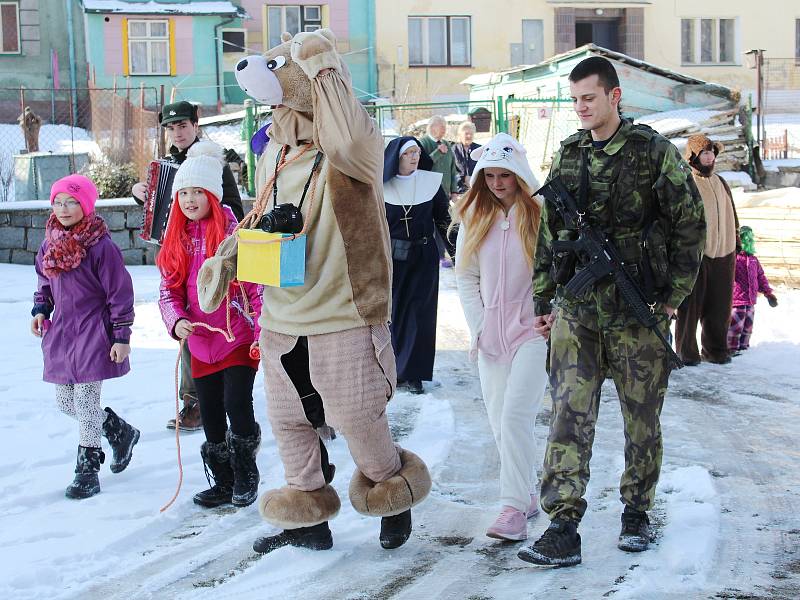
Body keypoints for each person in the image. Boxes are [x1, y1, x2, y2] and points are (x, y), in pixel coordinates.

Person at [216, 29, 432, 555]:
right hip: (283, 314)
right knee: (289, 419)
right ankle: (308, 513)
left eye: (284, 69)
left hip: (343, 310)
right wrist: (230, 254)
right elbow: (260, 212)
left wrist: (323, 67)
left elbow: (349, 138)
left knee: (358, 416)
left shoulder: (350, 151)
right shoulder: (274, 151)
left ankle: (389, 493)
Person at [517, 56, 705, 567]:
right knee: (566, 417)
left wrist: (674, 294)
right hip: (578, 313)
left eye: (589, 99)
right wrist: (543, 297)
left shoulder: (652, 152)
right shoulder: (570, 154)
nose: (580, 108)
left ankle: (636, 512)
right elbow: (551, 234)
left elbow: (689, 221)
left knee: (641, 418)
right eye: (575, 99)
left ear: (614, 96)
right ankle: (563, 525)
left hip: (636, 310)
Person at [156, 140, 264, 508]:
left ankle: (246, 467)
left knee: (236, 401)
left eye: (196, 192)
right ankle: (223, 479)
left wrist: (261, 331)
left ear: (213, 196)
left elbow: (256, 287)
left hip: (237, 337)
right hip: (200, 341)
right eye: (182, 193)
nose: (188, 200)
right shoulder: (177, 240)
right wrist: (177, 321)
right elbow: (168, 290)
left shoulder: (234, 236)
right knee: (212, 414)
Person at [452, 133, 548, 541]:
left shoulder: (542, 215)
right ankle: (524, 492)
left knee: (515, 417)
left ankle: (511, 510)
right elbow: (466, 277)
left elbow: (558, 270)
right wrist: (479, 325)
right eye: (488, 175)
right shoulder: (475, 217)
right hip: (491, 335)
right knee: (498, 422)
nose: (496, 183)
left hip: (532, 333)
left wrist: (551, 314)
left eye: (504, 175)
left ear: (519, 174)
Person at [133, 100, 245, 433]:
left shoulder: (213, 159)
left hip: (211, 258)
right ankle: (194, 400)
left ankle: (209, 397)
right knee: (184, 322)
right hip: (178, 254)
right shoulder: (165, 165)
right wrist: (144, 195)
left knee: (213, 323)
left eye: (183, 126)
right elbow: (160, 215)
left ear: (196, 125)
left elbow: (234, 208)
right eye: (170, 127)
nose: (177, 132)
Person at [32, 174, 140, 499]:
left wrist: (121, 335)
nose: (64, 209)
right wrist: (40, 310)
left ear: (87, 204)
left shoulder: (100, 246)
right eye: (58, 201)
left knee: (86, 399)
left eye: (72, 201)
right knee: (66, 402)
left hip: (94, 330)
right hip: (63, 331)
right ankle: (119, 431)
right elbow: (44, 280)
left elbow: (120, 292)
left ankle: (87, 468)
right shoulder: (49, 243)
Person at [383, 137, 455, 395]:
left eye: (416, 152)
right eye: (408, 153)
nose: (414, 157)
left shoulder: (431, 183)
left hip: (424, 256)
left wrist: (456, 254)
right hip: (392, 259)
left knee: (420, 314)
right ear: (396, 158)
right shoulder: (380, 187)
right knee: (395, 313)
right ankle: (393, 370)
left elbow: (444, 221)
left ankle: (414, 373)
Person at [675, 134, 739, 366]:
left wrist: (737, 241)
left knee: (720, 306)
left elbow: (732, 212)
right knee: (690, 306)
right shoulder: (687, 182)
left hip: (725, 252)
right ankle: (687, 352)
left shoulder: (721, 182)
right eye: (704, 152)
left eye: (711, 152)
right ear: (693, 156)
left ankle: (716, 349)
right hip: (698, 254)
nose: (709, 156)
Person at [728, 226, 778, 354]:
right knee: (735, 327)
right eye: (745, 239)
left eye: (750, 239)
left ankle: (744, 348)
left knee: (748, 328)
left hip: (750, 301)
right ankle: (731, 349)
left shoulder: (754, 260)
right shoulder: (734, 259)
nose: (748, 241)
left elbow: (760, 277)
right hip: (737, 301)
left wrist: (768, 293)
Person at [453, 121, 481, 194]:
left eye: (471, 134)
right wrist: (464, 178)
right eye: (466, 134)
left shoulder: (479, 149)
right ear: (460, 135)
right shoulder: (453, 150)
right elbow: (451, 170)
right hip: (459, 190)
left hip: (477, 188)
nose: (469, 136)